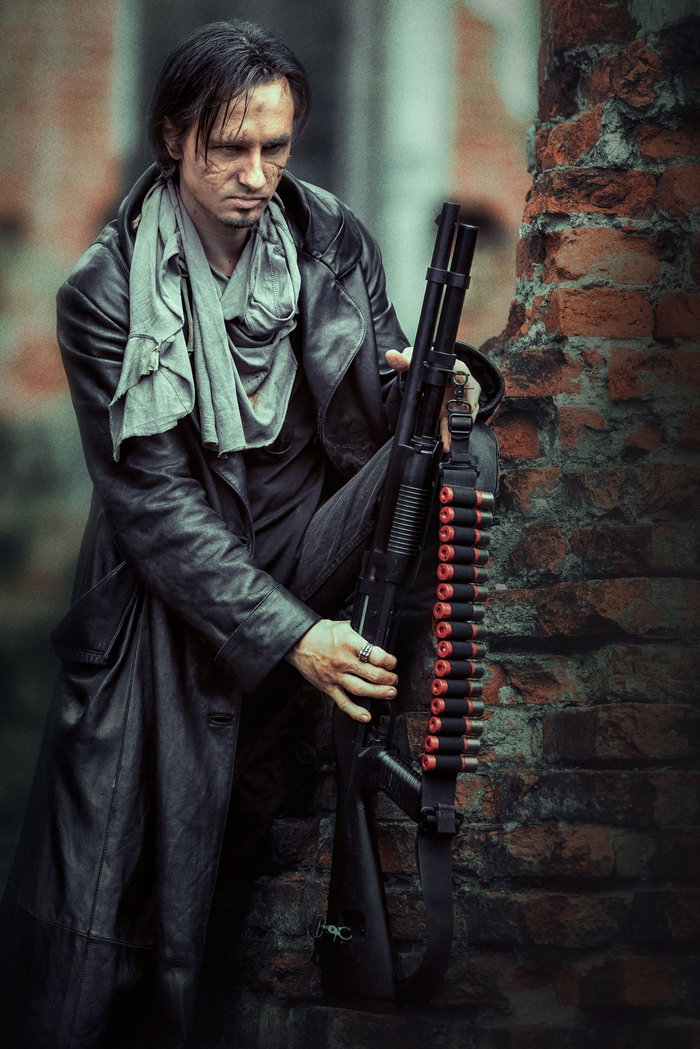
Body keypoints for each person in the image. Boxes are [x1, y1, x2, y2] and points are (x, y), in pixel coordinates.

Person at [0, 19, 502, 1048]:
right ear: (173, 136)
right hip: (171, 606)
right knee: (119, 911)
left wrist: (434, 385)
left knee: (454, 457)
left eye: (275, 146)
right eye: (231, 148)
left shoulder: (331, 237)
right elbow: (156, 508)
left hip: (310, 546)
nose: (258, 175)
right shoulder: (103, 293)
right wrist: (294, 636)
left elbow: (376, 404)